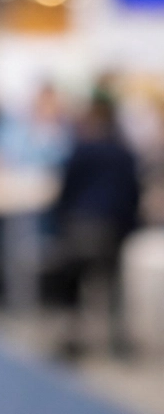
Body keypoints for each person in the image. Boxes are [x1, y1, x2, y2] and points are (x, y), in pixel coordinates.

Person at [44, 94, 140, 355]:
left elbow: (66, 192)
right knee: (111, 284)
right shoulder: (124, 153)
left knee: (72, 282)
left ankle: (72, 335)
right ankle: (117, 339)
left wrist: (57, 223)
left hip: (81, 227)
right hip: (111, 230)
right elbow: (132, 195)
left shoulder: (81, 151)